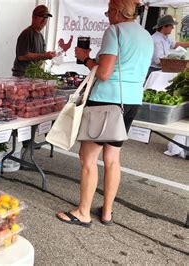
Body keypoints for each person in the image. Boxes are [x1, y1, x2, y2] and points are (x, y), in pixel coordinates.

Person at [56, 0, 153, 227]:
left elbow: (105, 73)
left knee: (88, 158)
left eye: (109, 10)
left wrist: (86, 59)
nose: (107, 14)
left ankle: (83, 212)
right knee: (112, 158)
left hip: (106, 101)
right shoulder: (145, 35)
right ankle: (107, 212)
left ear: (117, 11)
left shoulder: (115, 31)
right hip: (130, 101)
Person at [12, 5, 56, 77]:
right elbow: (22, 56)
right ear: (33, 17)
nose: (44, 20)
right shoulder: (27, 33)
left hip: (33, 76)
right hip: (22, 77)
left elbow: (41, 55)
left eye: (46, 18)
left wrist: (49, 55)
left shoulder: (41, 36)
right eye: (41, 16)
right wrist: (44, 56)